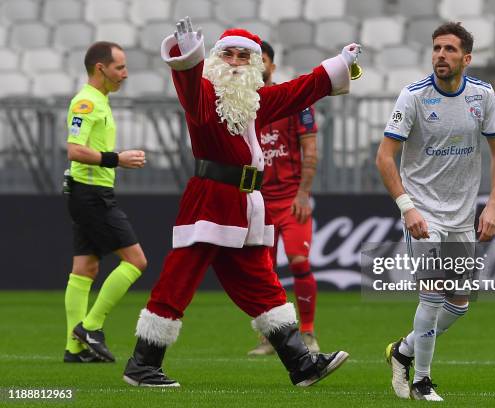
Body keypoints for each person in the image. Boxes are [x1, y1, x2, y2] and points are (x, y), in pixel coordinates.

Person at [122, 18, 361, 387]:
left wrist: (339, 65)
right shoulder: (203, 94)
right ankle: (143, 363)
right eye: (228, 54)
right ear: (216, 59)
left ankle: (301, 364)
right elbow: (188, 87)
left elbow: (299, 90)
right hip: (210, 201)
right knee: (178, 280)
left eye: (243, 56)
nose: (234, 61)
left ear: (255, 65)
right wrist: (187, 56)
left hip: (246, 204)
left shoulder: (256, 100)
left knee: (262, 284)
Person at [376, 22, 495, 401]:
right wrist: (407, 208)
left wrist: (493, 205)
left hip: (462, 215)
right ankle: (422, 381)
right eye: (436, 48)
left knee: (460, 303)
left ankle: (402, 351)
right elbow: (385, 157)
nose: (440, 56)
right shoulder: (413, 97)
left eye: (449, 50)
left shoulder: (482, 96)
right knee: (432, 298)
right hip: (423, 214)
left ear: (466, 58)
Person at [63, 41, 147, 363]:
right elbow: (74, 149)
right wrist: (117, 159)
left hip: (88, 191)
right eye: (119, 68)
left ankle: (75, 349)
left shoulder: (100, 100)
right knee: (136, 261)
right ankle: (92, 327)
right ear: (101, 68)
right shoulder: (86, 102)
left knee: (85, 268)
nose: (124, 74)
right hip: (91, 194)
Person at [248, 41, 321, 356]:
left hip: (292, 199)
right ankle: (272, 337)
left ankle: (307, 333)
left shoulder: (293, 101)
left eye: (261, 59)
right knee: (263, 271)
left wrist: (304, 193)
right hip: (259, 202)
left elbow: (311, 149)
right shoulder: (242, 104)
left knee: (298, 259)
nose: (257, 64)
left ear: (272, 66)